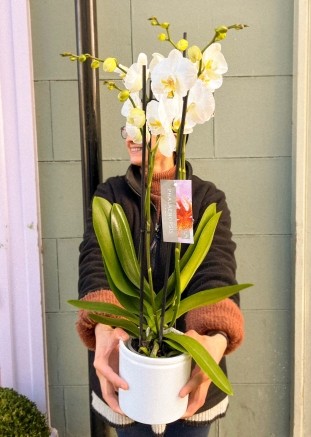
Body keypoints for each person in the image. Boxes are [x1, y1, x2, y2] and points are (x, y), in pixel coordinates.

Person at [76, 126, 244, 437]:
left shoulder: (193, 197)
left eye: (146, 127)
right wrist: (105, 325)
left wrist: (215, 337)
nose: (130, 136)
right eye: (127, 127)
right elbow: (95, 264)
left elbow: (213, 271)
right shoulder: (112, 197)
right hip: (128, 373)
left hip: (187, 377)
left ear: (177, 131)